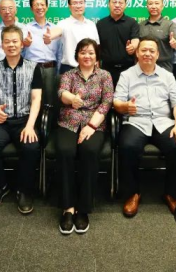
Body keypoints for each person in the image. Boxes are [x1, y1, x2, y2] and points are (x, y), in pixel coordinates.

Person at [113, 36, 176, 217]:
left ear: (157, 54)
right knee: (128, 146)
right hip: (136, 121)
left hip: (163, 122)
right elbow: (116, 102)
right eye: (144, 50)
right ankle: (132, 193)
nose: (148, 54)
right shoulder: (126, 75)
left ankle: (172, 194)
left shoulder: (167, 76)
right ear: (137, 53)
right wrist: (125, 106)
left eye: (151, 51)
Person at [0, 25, 43, 214]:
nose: (11, 45)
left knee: (31, 147)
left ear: (22, 44)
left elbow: (36, 99)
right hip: (1, 121)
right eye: (7, 41)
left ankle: (23, 190)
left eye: (15, 41)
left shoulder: (34, 68)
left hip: (24, 120)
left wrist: (30, 126)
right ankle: (0, 186)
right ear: (2, 45)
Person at [56, 39, 113, 235]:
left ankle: (83, 208)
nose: (87, 56)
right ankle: (68, 207)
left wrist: (91, 126)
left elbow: (106, 103)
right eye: (82, 52)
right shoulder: (68, 74)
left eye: (90, 52)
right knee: (65, 151)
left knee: (89, 151)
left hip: (94, 123)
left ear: (96, 56)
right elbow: (61, 92)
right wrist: (72, 98)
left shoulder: (105, 75)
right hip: (69, 121)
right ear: (77, 55)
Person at [22, 0, 62, 107]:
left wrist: (58, 72)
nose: (40, 7)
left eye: (42, 4)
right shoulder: (25, 29)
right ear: (31, 8)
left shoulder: (55, 29)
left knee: (51, 102)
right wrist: (25, 44)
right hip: (32, 69)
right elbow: (20, 52)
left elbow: (59, 53)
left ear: (47, 7)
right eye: (36, 5)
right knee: (32, 102)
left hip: (50, 69)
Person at [44, 0, 99, 74]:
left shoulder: (91, 24)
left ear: (84, 4)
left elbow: (96, 46)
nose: (78, 6)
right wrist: (49, 36)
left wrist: (97, 63)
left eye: (81, 3)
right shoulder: (63, 23)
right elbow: (55, 32)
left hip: (90, 68)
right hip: (69, 69)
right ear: (69, 6)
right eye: (75, 3)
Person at [96, 0, 140, 88]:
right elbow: (97, 46)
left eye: (120, 3)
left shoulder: (132, 23)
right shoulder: (100, 24)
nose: (117, 5)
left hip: (128, 69)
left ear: (125, 5)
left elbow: (135, 39)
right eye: (114, 2)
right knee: (107, 96)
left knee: (126, 96)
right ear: (109, 4)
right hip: (106, 70)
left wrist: (133, 46)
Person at [139, 0, 176, 72]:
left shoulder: (169, 24)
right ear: (147, 7)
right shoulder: (140, 25)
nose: (153, 6)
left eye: (157, 3)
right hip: (143, 66)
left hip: (164, 67)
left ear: (162, 6)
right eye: (150, 3)